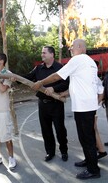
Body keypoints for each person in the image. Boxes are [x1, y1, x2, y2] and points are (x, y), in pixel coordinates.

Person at [32, 39, 100, 180]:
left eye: (72, 47)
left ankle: (93, 170)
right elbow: (81, 83)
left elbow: (57, 76)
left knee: (87, 138)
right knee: (87, 137)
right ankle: (89, 161)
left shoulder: (78, 59)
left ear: (80, 47)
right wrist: (64, 93)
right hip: (87, 105)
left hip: (84, 107)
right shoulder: (90, 62)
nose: (70, 49)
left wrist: (41, 82)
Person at [22, 46, 69, 162]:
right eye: (42, 53)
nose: (42, 55)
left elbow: (66, 84)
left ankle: (64, 151)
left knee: (60, 130)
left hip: (56, 103)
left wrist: (53, 88)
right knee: (46, 130)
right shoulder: (38, 68)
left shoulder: (60, 68)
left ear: (52, 54)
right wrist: (14, 77)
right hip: (42, 104)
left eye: (44, 53)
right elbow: (28, 77)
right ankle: (50, 152)